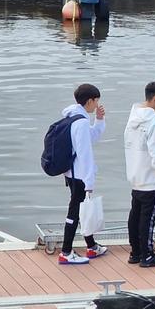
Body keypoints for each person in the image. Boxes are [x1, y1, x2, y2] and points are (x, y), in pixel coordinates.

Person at [124, 81, 155, 268]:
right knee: (148, 218)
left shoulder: (133, 118)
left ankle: (135, 252)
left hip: (135, 176)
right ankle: (147, 255)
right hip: (151, 180)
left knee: (135, 214)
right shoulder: (153, 122)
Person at [58, 84, 106, 265]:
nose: (97, 104)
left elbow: (90, 137)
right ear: (90, 100)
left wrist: (99, 120)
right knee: (75, 212)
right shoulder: (81, 122)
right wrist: (89, 181)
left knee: (81, 209)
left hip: (71, 172)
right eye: (96, 101)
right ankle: (66, 252)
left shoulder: (74, 117)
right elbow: (85, 153)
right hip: (79, 175)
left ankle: (91, 246)